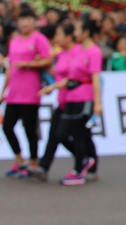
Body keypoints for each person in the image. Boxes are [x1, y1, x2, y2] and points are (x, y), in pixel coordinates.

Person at [42, 18, 102, 186]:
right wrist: (53, 86)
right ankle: (85, 161)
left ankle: (78, 171)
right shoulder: (79, 51)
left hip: (84, 98)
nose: (75, 33)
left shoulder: (93, 52)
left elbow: (96, 79)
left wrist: (97, 103)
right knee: (61, 134)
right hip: (71, 98)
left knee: (79, 135)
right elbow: (70, 78)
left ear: (86, 32)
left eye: (77, 30)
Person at [0, 8, 52, 178]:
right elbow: (10, 67)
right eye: (22, 19)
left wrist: (28, 64)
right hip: (14, 93)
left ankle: (34, 163)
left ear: (34, 21)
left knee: (29, 129)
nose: (24, 23)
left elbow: (48, 59)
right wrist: (3, 91)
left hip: (30, 92)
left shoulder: (39, 39)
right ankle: (20, 160)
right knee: (7, 126)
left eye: (28, 19)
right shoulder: (14, 41)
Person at [33, 22, 76, 182]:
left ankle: (85, 160)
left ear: (69, 36)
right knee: (54, 134)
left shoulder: (77, 52)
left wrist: (52, 86)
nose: (56, 38)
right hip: (63, 100)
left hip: (76, 100)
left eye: (59, 34)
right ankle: (44, 167)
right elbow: (58, 75)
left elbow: (74, 78)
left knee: (70, 136)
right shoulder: (62, 54)